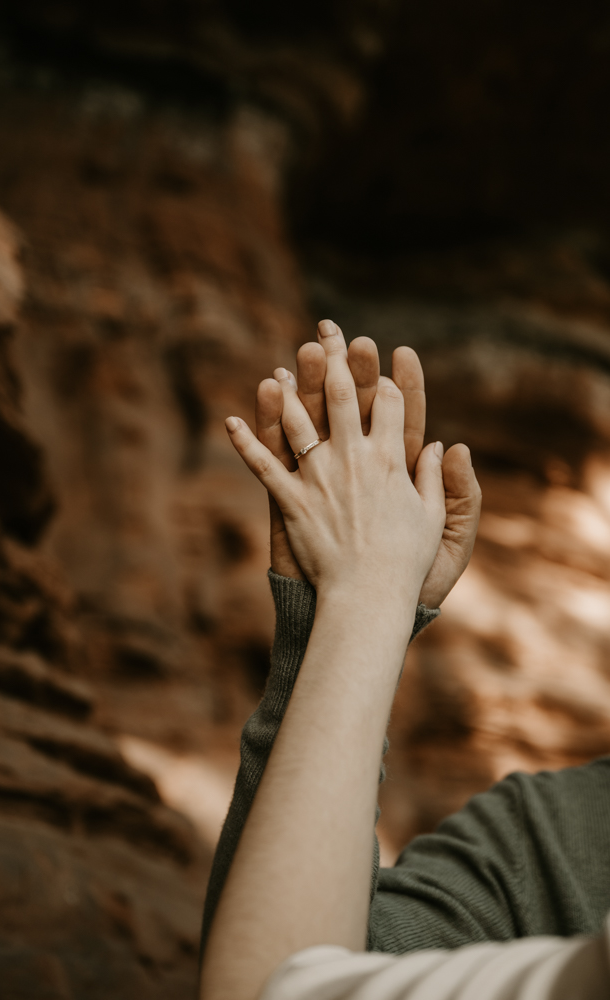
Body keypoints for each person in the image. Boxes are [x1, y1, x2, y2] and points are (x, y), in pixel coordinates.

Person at [198, 321, 610, 1000]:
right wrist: (320, 628)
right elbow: (333, 955)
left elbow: (277, 984)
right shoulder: (542, 837)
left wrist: (362, 594)